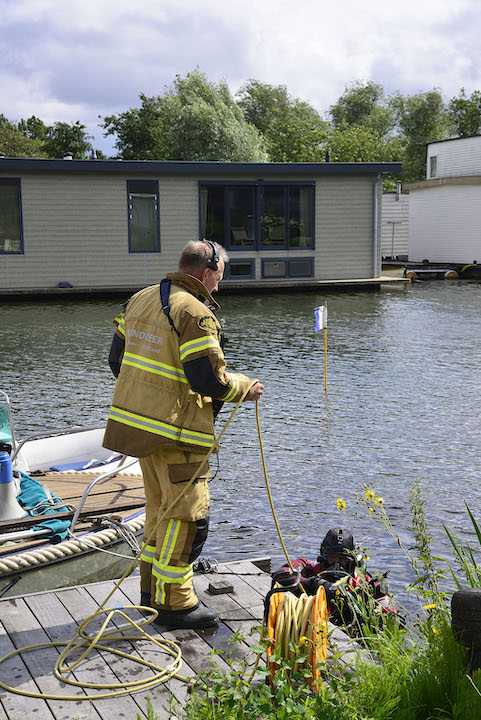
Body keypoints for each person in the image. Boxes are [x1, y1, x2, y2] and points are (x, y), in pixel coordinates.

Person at [103, 239, 264, 630]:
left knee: (159, 514)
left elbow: (116, 362)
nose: (218, 288)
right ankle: (176, 604)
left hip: (140, 430)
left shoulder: (140, 299)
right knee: (188, 520)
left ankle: (151, 595)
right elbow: (206, 378)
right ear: (207, 272)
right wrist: (245, 387)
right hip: (177, 435)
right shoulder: (196, 311)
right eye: (219, 278)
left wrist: (151, 402)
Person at [272, 528, 398, 632]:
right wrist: (313, 583)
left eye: (342, 558)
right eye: (332, 557)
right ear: (324, 556)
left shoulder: (364, 583)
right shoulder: (309, 568)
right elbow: (280, 575)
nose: (337, 563)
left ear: (352, 560)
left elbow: (390, 613)